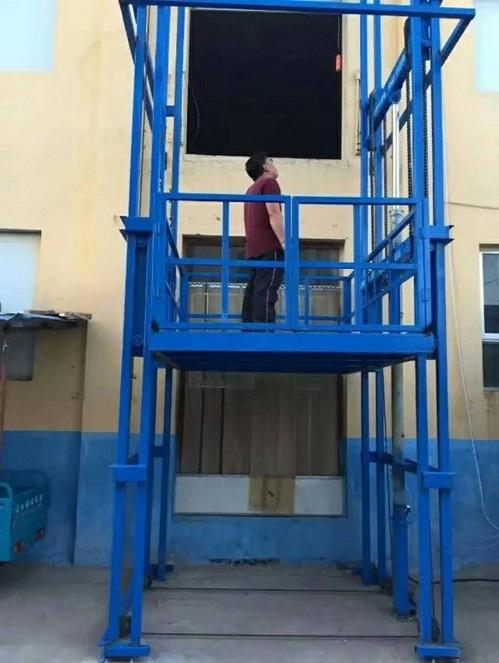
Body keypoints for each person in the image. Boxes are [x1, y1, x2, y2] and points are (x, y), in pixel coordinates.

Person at [242, 153, 285, 325]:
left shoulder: (251, 190)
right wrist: (284, 242)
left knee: (253, 291)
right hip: (269, 247)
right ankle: (264, 331)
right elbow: (273, 212)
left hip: (253, 249)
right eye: (271, 161)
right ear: (265, 167)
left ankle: (249, 330)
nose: (274, 164)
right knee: (266, 292)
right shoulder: (269, 182)